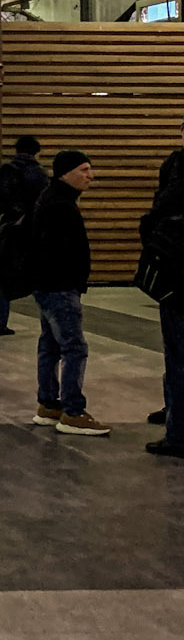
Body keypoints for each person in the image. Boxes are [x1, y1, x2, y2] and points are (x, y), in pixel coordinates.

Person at [29, 150, 108, 436]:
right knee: (74, 348)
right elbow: (60, 250)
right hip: (60, 286)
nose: (90, 175)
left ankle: (49, 404)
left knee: (50, 345)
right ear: (66, 173)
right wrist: (73, 279)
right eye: (84, 170)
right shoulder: (60, 205)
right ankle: (73, 411)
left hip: (48, 285)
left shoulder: (52, 199)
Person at [140, 125, 184, 457]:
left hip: (178, 277)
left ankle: (178, 431)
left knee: (179, 354)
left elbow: (159, 211)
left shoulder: (178, 167)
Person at [0, 135, 45, 336]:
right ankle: (48, 321)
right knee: (40, 275)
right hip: (31, 229)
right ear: (37, 152)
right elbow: (43, 203)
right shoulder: (37, 174)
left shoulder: (3, 172)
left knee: (3, 275)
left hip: (5, 229)